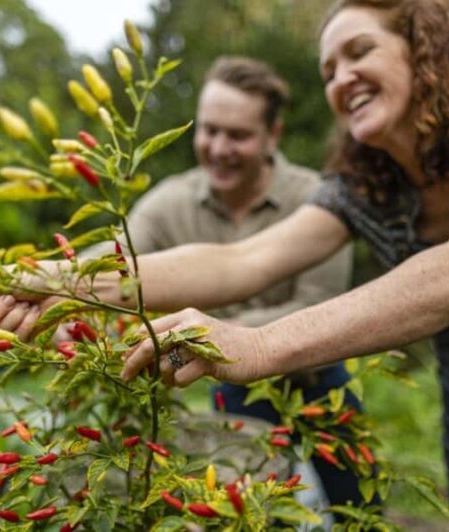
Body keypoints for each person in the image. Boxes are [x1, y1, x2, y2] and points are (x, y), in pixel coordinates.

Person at [0, 0, 449, 530]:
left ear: (425, 48)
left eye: (358, 52)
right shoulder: (359, 188)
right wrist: (56, 283)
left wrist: (256, 346)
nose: (339, 77)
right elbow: (238, 259)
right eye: (327, 68)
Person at [82, 55, 362, 510]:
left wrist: (206, 334)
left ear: (273, 135)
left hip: (316, 380)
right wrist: (42, 280)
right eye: (209, 130)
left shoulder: (316, 198)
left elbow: (319, 302)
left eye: (238, 135)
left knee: (354, 505)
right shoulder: (170, 203)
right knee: (249, 508)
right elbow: (116, 262)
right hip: (230, 386)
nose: (218, 147)